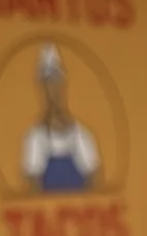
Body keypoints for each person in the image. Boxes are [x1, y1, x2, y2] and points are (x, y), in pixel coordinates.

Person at [21, 43, 101, 194]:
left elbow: (93, 178)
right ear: (42, 91)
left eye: (56, 85)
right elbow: (32, 184)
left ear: (63, 87)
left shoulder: (81, 135)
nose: (53, 92)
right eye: (48, 86)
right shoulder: (34, 138)